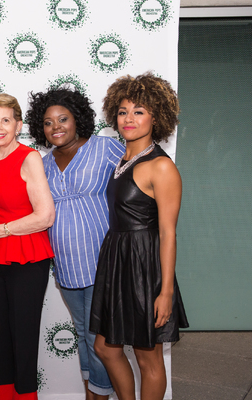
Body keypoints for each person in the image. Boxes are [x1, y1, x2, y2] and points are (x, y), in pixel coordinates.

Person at [89, 72, 189, 400]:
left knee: (148, 356)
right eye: (122, 111)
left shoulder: (161, 167)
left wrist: (165, 292)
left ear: (156, 117)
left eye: (139, 111)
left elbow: (168, 232)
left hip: (145, 267)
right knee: (105, 347)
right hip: (118, 260)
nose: (129, 118)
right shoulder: (123, 159)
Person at [26, 88, 124, 400]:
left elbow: (137, 183)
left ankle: (101, 394)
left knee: (100, 338)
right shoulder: (42, 163)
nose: (55, 126)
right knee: (83, 334)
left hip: (103, 263)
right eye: (47, 122)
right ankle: (93, 393)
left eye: (63, 119)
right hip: (67, 267)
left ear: (77, 119)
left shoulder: (106, 148)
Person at [0, 93, 55, 400]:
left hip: (27, 255)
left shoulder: (29, 157)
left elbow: (45, 216)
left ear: (18, 125)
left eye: (5, 120)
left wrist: (0, 230)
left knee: (23, 338)